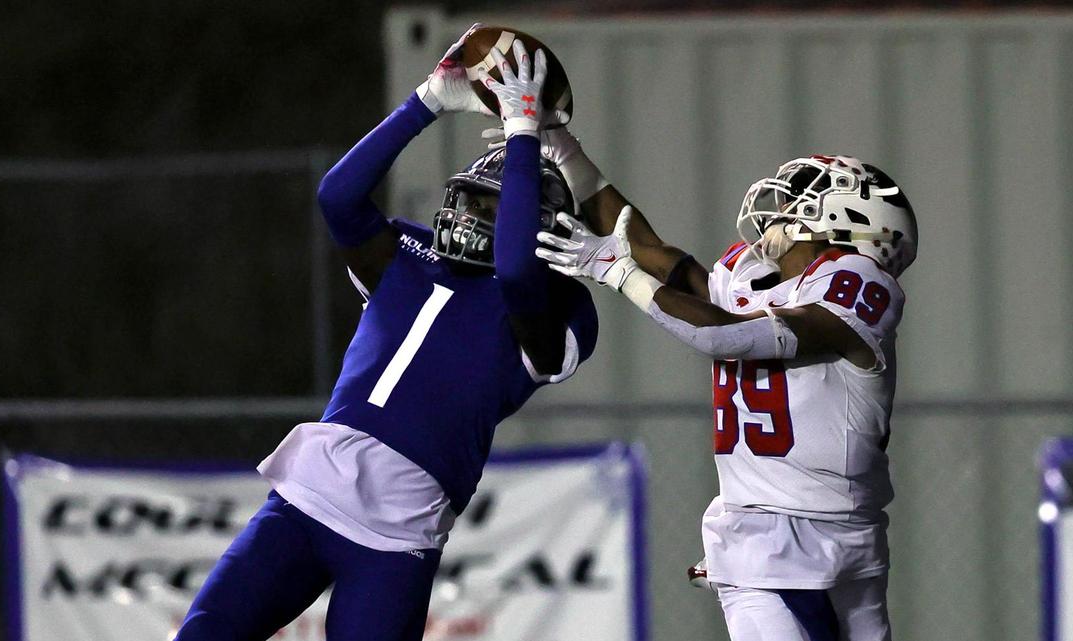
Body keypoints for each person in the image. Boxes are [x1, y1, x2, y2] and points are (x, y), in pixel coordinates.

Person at [173, 28, 597, 641]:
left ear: (535, 229)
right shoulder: (410, 253)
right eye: (471, 201)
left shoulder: (550, 306)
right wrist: (425, 101)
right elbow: (337, 195)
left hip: (397, 535)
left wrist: (525, 134)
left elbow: (514, 268)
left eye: (491, 209)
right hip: (306, 497)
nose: (464, 217)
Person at [529, 131, 915, 641]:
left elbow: (723, 334)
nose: (781, 208)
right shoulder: (750, 276)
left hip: (851, 538)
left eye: (805, 194)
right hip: (761, 542)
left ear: (850, 221)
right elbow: (639, 245)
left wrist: (621, 275)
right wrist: (566, 151)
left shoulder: (859, 284)